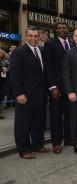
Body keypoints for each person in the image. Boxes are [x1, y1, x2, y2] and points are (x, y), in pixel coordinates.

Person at [10, 27, 49, 159]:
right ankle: (23, 149)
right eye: (30, 36)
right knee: (23, 123)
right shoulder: (19, 52)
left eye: (36, 36)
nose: (33, 38)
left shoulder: (41, 51)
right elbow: (14, 75)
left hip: (40, 94)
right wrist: (19, 93)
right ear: (26, 36)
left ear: (39, 37)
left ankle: (37, 145)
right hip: (25, 95)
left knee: (38, 122)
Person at [44, 23, 73, 153]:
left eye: (64, 28)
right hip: (56, 87)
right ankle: (56, 142)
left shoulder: (72, 44)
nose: (62, 30)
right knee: (56, 116)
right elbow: (48, 67)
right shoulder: (50, 44)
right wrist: (52, 86)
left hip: (70, 87)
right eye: (59, 28)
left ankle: (68, 138)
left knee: (69, 114)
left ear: (68, 30)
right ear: (56, 30)